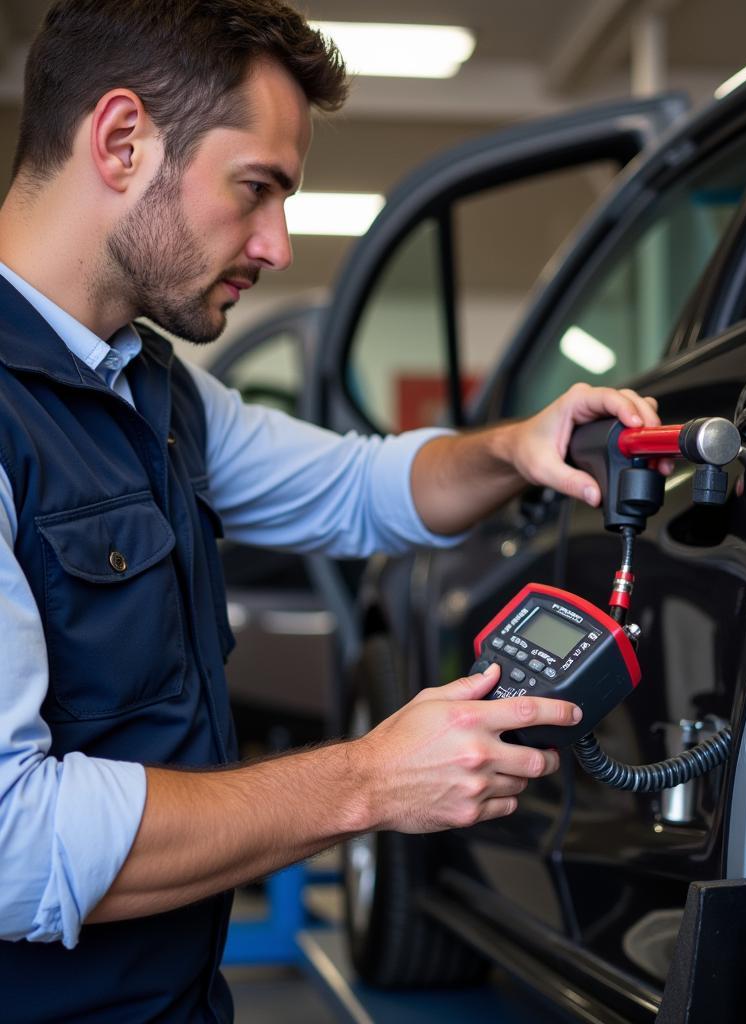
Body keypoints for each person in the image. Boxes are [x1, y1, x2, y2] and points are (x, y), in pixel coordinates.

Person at [0, 1, 664, 1020]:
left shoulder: (154, 389)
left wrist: (513, 447)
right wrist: (366, 780)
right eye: (255, 189)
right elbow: (13, 842)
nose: (276, 244)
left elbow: (356, 488)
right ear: (122, 140)